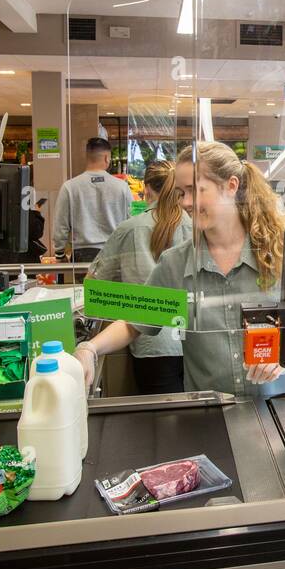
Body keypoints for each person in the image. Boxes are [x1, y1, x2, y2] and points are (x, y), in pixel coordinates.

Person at [75, 142, 285, 400]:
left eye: (195, 190)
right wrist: (89, 348)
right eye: (181, 193)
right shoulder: (177, 263)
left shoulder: (282, 253)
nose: (186, 203)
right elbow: (134, 322)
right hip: (211, 416)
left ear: (231, 186)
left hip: (282, 411)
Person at [87, 160, 192, 394]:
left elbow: (94, 285)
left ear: (146, 189)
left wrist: (131, 298)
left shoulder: (130, 228)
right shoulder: (195, 226)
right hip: (194, 345)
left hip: (151, 345)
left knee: (160, 423)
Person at [52, 137, 132, 262]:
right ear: (107, 158)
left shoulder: (70, 187)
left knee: (83, 282)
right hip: (114, 252)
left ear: (88, 157)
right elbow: (130, 221)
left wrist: (60, 254)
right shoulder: (122, 187)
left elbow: (60, 226)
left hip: (81, 254)